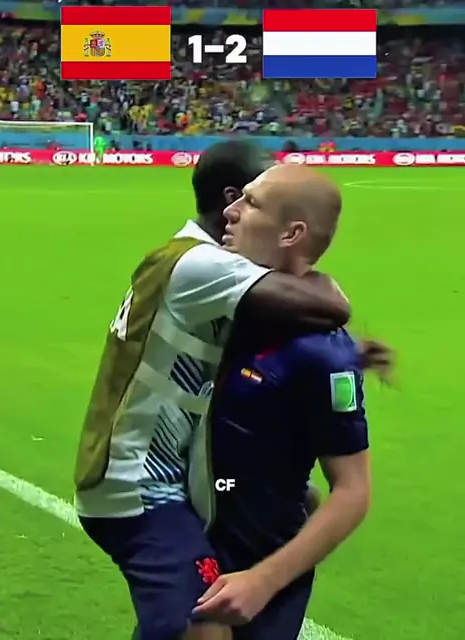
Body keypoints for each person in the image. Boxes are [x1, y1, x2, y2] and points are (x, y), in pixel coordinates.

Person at [75, 141, 352, 640]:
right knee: (205, 623)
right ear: (228, 198)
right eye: (248, 195)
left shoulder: (192, 260)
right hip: (138, 485)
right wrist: (316, 277)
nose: (239, 210)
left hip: (171, 475)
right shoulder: (202, 266)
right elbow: (330, 305)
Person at [192, 164, 372, 640]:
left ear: (292, 233)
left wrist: (263, 580)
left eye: (250, 203)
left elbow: (353, 490)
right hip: (187, 550)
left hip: (256, 571)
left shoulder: (321, 353)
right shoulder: (216, 303)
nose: (229, 211)